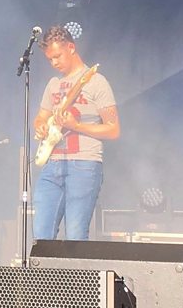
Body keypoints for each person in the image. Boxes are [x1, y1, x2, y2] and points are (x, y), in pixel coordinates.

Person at [32, 25, 120, 241]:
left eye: (57, 56)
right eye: (50, 59)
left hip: (84, 164)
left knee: (75, 235)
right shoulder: (53, 84)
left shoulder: (95, 81)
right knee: (41, 236)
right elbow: (40, 117)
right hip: (52, 164)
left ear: (71, 48)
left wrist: (76, 126)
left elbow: (113, 129)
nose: (54, 63)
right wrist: (40, 126)